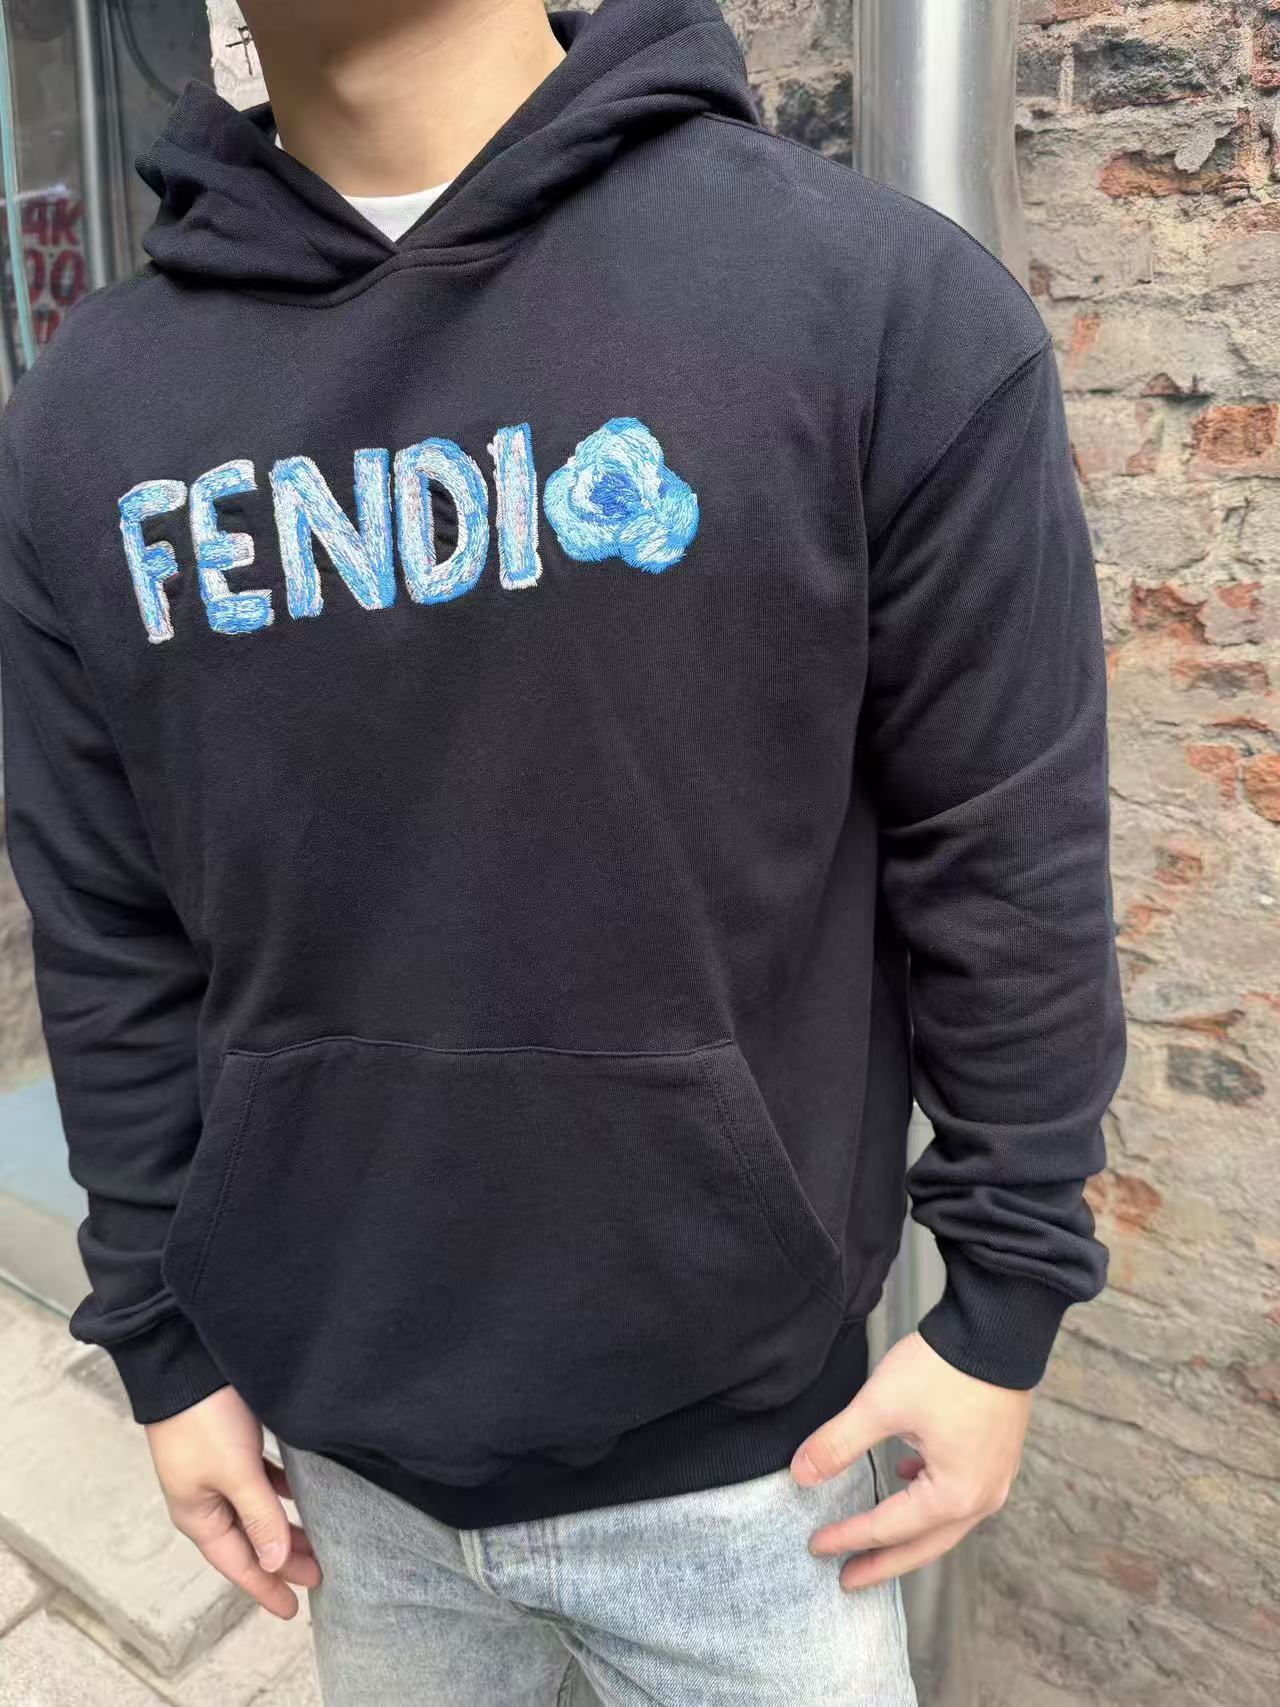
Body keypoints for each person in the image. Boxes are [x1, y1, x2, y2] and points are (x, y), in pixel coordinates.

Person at [0, 0, 1126, 1700]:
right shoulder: (86, 422)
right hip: (352, 1479)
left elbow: (1005, 849)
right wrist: (161, 1345)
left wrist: (1003, 1309)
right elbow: (109, 930)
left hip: (757, 1491)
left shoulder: (867, 306)